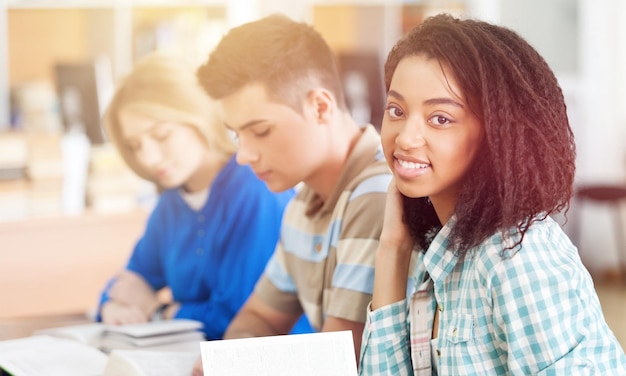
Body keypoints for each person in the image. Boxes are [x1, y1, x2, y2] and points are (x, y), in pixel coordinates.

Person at [359, 13, 626, 375]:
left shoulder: (517, 255)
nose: (405, 138)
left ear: (495, 135)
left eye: (440, 118)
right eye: (396, 110)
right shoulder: (436, 252)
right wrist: (392, 249)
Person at [191, 13, 392, 374]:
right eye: (238, 135)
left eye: (261, 130)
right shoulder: (302, 204)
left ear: (320, 107)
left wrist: (234, 365)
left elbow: (340, 360)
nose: (244, 155)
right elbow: (257, 318)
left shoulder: (377, 194)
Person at [95, 52, 312, 341]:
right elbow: (129, 281)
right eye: (135, 145)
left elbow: (240, 322)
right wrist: (111, 306)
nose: (147, 157)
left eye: (161, 135)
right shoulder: (172, 202)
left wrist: (157, 310)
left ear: (198, 117)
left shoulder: (255, 188)